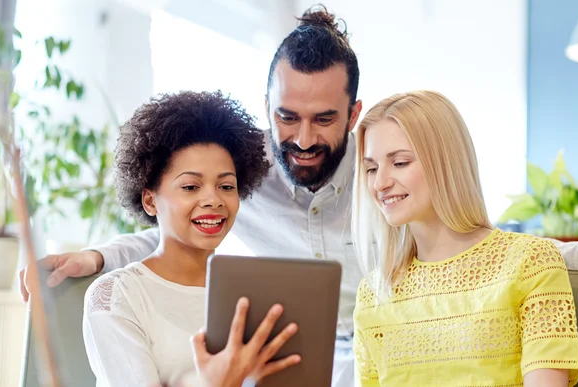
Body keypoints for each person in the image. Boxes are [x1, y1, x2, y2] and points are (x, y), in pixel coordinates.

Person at [23, 6, 363, 386]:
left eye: (323, 119)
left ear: (352, 116)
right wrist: (97, 256)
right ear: (267, 108)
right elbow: (173, 234)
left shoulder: (383, 174)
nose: (302, 139)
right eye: (287, 117)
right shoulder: (118, 297)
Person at [351, 90, 578, 386]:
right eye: (371, 168)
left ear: (445, 162)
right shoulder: (373, 293)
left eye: (400, 163)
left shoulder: (530, 262)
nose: (380, 183)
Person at [82, 90, 300, 387]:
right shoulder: (117, 297)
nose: (213, 199)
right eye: (190, 187)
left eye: (226, 186)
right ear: (150, 201)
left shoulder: (252, 295)